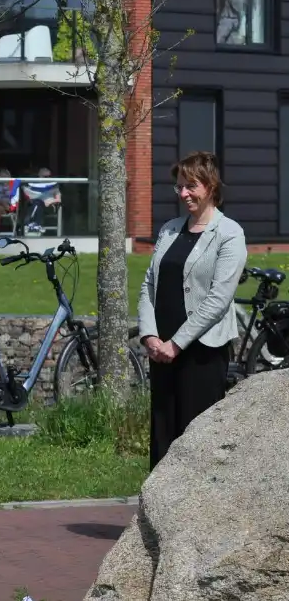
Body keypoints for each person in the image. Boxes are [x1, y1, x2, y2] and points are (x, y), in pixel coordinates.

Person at [139, 151, 246, 470]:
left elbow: (218, 299)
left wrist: (176, 343)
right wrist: (149, 335)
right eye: (180, 187)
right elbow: (148, 284)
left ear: (211, 186)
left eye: (191, 186)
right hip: (161, 351)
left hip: (202, 353)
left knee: (196, 437)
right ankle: (154, 515)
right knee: (163, 434)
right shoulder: (169, 229)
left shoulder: (230, 234)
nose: (183, 193)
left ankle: (196, 518)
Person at [23, 167, 60, 235]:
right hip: (36, 204)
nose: (47, 178)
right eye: (45, 176)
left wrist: (50, 201)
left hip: (49, 206)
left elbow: (58, 199)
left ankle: (29, 223)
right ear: (39, 175)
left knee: (37, 203)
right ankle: (37, 224)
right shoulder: (34, 184)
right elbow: (28, 195)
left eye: (48, 176)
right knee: (37, 202)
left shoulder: (53, 185)